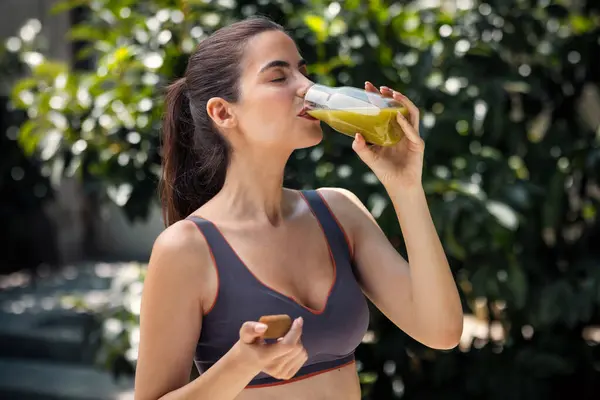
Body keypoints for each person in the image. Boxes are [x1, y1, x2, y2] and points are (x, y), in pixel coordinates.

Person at [134, 16, 463, 400]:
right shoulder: (186, 249)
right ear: (223, 113)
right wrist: (241, 363)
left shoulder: (339, 213)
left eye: (303, 73)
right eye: (279, 77)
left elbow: (442, 331)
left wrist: (406, 187)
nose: (307, 89)